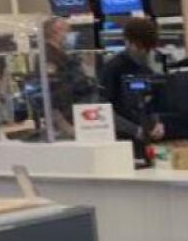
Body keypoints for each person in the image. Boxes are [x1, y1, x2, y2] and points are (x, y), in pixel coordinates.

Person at [99, 16, 165, 157]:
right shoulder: (113, 68)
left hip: (145, 140)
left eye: (147, 49)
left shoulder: (146, 69)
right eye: (140, 47)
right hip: (121, 141)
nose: (143, 52)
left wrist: (158, 123)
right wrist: (135, 130)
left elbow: (153, 103)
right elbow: (105, 109)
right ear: (129, 42)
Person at [43, 17, 97, 138]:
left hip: (72, 110)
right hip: (64, 114)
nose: (70, 35)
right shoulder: (48, 55)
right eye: (68, 31)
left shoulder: (62, 54)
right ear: (56, 31)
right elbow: (53, 90)